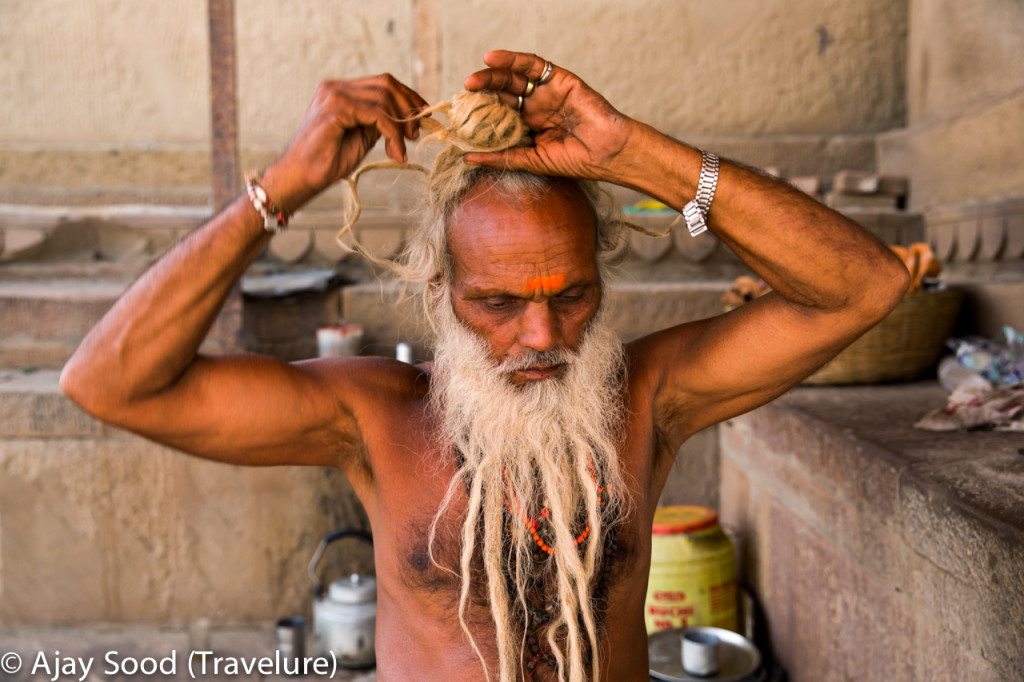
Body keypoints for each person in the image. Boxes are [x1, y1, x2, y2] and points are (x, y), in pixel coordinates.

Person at [60, 50, 910, 682]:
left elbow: (864, 288)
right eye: (499, 304)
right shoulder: (374, 418)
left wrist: (635, 154)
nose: (542, 336)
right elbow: (107, 382)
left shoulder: (648, 399)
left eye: (572, 296)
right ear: (441, 293)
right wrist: (280, 187)